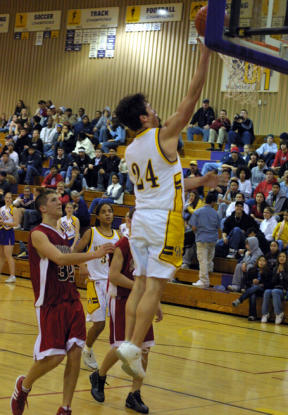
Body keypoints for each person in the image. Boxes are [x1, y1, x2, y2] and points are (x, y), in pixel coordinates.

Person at [113, 42, 218, 379]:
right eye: (150, 107)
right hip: (162, 221)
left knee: (140, 284)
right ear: (144, 117)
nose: (155, 110)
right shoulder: (164, 135)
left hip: (140, 219)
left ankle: (126, 343)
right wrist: (205, 54)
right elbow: (192, 94)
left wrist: (199, 180)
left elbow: (165, 182)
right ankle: (131, 347)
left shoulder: (131, 150)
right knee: (154, 287)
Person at [10, 189, 115, 415]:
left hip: (72, 299)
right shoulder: (38, 233)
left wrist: (82, 265)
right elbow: (58, 258)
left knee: (76, 352)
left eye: (60, 200)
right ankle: (24, 385)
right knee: (55, 356)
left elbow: (67, 261)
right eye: (54, 200)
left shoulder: (63, 236)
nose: (60, 202)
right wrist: (92, 256)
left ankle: (65, 408)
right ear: (42, 208)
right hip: (51, 302)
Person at [90, 208, 159, 413]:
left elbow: (151, 280)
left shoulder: (148, 247)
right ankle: (99, 375)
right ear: (129, 221)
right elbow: (115, 276)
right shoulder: (122, 245)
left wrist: (156, 303)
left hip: (142, 301)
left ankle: (134, 394)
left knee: (144, 349)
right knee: (122, 347)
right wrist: (138, 287)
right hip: (121, 299)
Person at [74, 203, 120, 370]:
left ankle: (119, 353)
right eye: (103, 212)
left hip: (112, 283)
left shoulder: (118, 235)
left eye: (110, 211)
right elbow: (76, 250)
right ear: (98, 216)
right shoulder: (91, 232)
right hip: (95, 282)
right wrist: (82, 263)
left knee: (117, 322)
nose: (107, 214)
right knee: (99, 323)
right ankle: (87, 349)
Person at [190, 192, 220, 288]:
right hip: (213, 238)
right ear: (213, 202)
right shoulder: (216, 213)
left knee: (202, 260)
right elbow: (219, 227)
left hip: (202, 238)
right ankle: (209, 273)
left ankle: (204, 281)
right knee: (209, 259)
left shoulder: (197, 212)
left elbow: (193, 227)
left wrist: (197, 234)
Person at [232, 255, 271, 321]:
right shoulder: (252, 270)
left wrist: (261, 284)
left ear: (266, 262)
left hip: (262, 290)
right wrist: (252, 282)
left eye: (263, 261)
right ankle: (252, 315)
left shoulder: (269, 272)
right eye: (260, 260)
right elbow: (245, 280)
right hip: (252, 289)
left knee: (256, 288)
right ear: (257, 262)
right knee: (253, 295)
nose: (261, 262)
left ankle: (240, 300)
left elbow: (270, 284)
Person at [261, 251, 288, 324]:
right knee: (267, 291)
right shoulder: (275, 268)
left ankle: (279, 313)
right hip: (276, 288)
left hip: (285, 290)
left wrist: (282, 272)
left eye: (283, 256)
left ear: (286, 258)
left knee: (275, 291)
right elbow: (273, 282)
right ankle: (265, 313)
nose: (281, 258)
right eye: (280, 256)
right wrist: (276, 274)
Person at [0, 192, 18, 283]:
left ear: (11, 199)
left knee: (8, 255)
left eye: (10, 198)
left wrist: (5, 223)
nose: (8, 199)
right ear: (4, 199)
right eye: (6, 197)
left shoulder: (14, 209)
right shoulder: (1, 209)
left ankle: (12, 276)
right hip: (1, 231)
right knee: (1, 256)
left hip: (9, 232)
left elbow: (16, 223)